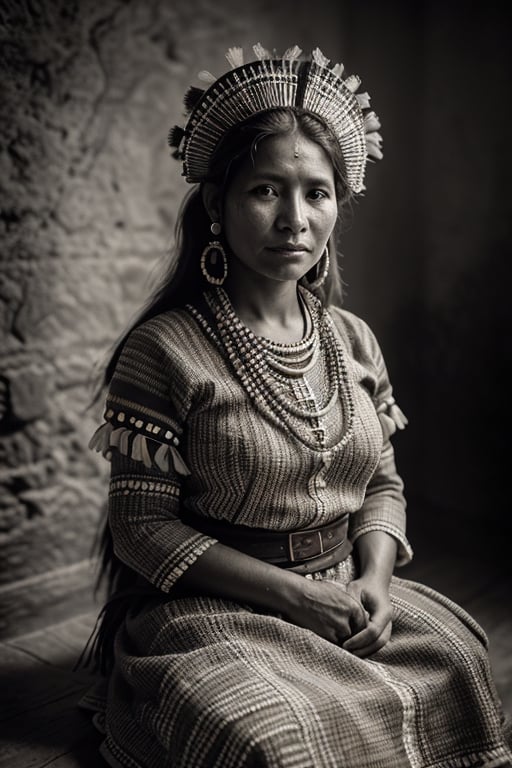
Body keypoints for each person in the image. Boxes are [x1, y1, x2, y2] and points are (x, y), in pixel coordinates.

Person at [82, 44, 512, 768]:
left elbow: (381, 482)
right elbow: (142, 530)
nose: (294, 219)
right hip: (211, 608)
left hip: (344, 589)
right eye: (264, 191)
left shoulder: (353, 341)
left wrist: (373, 580)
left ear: (337, 207)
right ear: (216, 204)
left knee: (460, 662)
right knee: (275, 739)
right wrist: (293, 598)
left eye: (317, 192)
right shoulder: (164, 351)